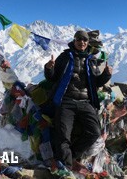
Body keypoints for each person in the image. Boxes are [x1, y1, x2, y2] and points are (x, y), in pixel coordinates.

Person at [44, 30, 112, 170]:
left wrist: (106, 75)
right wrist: (48, 68)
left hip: (85, 102)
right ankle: (67, 168)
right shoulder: (65, 57)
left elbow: (97, 82)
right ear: (74, 41)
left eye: (84, 40)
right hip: (66, 100)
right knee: (63, 135)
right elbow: (53, 78)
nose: (82, 42)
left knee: (94, 132)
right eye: (79, 39)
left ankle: (71, 156)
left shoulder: (91, 60)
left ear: (88, 43)